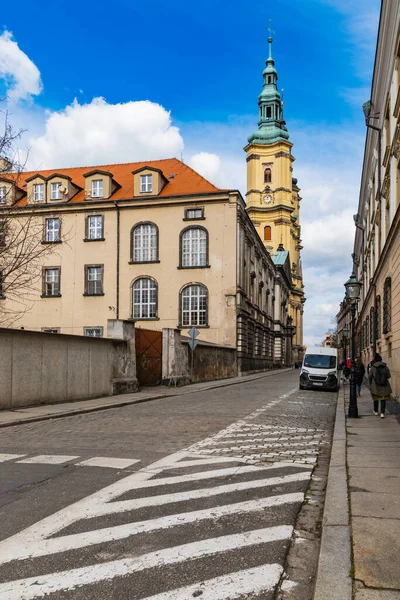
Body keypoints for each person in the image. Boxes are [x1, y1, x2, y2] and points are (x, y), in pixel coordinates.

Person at [368, 353, 392, 418]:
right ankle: (382, 413)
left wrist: (370, 383)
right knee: (383, 399)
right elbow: (389, 376)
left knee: (376, 399)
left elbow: (370, 376)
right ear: (381, 360)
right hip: (384, 385)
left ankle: (376, 411)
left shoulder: (373, 367)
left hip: (375, 385)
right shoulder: (385, 367)